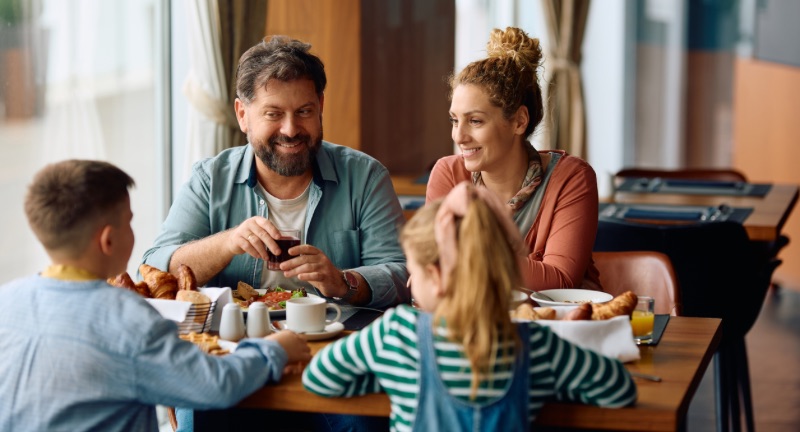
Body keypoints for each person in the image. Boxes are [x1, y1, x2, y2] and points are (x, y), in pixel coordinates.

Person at [0, 160, 311, 431]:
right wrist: (275, 349)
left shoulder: (7, 301)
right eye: (129, 222)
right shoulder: (128, 317)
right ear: (108, 240)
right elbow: (214, 385)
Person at [303, 182, 637, 431]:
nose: (409, 283)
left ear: (435, 276)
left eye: (413, 272)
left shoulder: (396, 336)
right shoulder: (537, 346)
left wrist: (384, 378)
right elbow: (619, 389)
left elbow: (318, 378)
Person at [143, 35, 408, 308]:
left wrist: (343, 282)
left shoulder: (365, 177)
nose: (291, 130)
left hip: (339, 340)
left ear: (321, 107)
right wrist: (228, 243)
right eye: (273, 114)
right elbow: (155, 270)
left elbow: (402, 276)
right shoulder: (210, 180)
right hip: (236, 342)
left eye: (304, 111)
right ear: (242, 115)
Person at [426, 26, 601, 291]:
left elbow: (559, 282)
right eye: (454, 120)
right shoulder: (448, 174)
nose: (458, 136)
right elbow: (435, 270)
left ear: (519, 121)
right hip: (474, 328)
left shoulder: (571, 178)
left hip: (555, 327)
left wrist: (463, 254)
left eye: (475, 121)